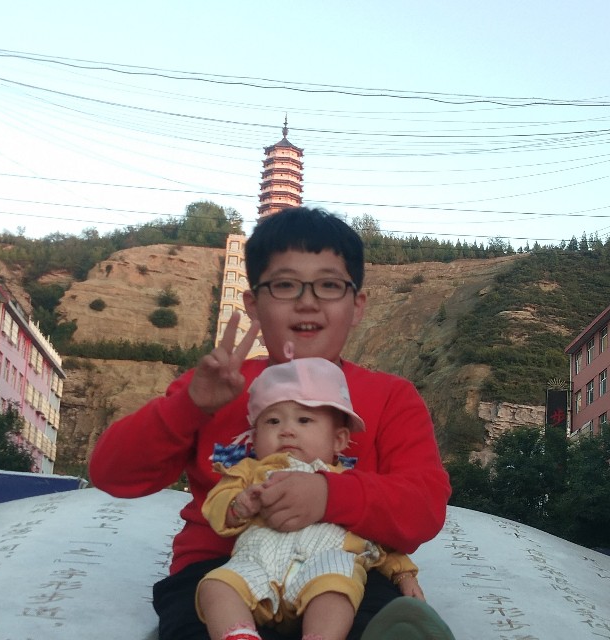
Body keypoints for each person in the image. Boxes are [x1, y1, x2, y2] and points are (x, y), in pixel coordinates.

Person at [88, 206, 455, 640]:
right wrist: (188, 407)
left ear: (357, 306)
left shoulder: (391, 397)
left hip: (343, 568)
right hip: (219, 569)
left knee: (378, 621)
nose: (307, 301)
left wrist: (328, 495)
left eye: (329, 285)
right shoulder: (214, 387)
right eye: (284, 285)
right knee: (198, 613)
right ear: (253, 305)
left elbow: (423, 506)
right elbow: (111, 473)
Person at [196, 356, 424, 640]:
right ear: (254, 438)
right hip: (257, 563)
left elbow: (378, 540)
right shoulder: (250, 472)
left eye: (304, 420)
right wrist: (238, 506)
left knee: (337, 591)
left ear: (338, 440)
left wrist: (403, 574)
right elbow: (217, 504)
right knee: (215, 586)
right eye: (273, 421)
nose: (287, 430)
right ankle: (239, 635)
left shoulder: (349, 484)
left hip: (324, 566)